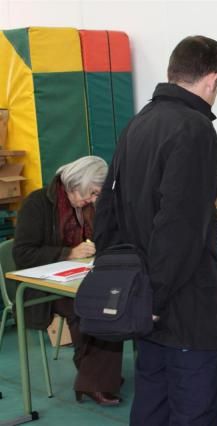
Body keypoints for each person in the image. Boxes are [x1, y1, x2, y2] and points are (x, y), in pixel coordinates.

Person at [93, 35, 217, 425]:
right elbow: (180, 228)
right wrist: (155, 297)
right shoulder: (196, 129)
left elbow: (107, 211)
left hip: (142, 303)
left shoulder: (139, 122)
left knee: (151, 407)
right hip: (182, 310)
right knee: (192, 411)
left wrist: (126, 287)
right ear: (212, 80)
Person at [13, 155, 124, 406]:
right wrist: (68, 253)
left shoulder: (88, 206)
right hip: (43, 287)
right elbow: (22, 254)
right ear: (76, 184)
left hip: (80, 280)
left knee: (115, 300)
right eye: (92, 192)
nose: (94, 199)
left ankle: (98, 375)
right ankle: (96, 380)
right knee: (91, 308)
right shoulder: (38, 203)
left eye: (98, 194)